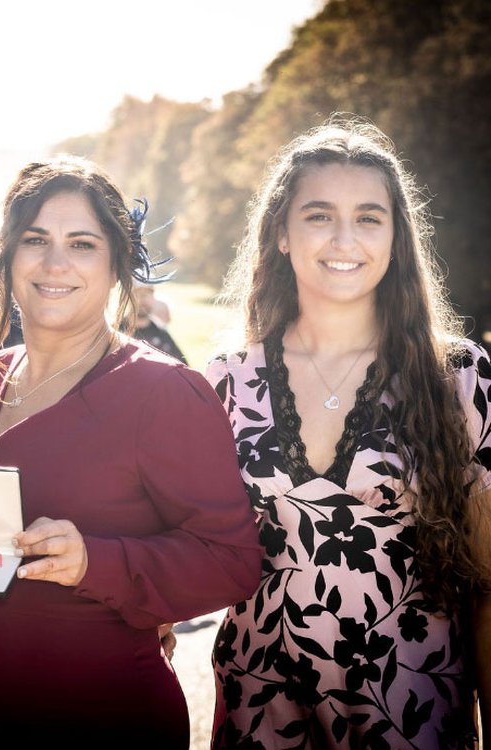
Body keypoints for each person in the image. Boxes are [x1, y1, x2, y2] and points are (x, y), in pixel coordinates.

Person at [0, 156, 263, 748]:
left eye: (82, 244)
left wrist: (96, 561)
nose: (55, 262)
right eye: (35, 239)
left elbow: (232, 562)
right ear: (7, 257)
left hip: (108, 718)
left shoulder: (163, 392)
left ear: (117, 265)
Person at [205, 117, 491, 748]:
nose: (344, 238)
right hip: (261, 706)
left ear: (396, 238)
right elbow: (185, 544)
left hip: (410, 711)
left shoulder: (457, 375)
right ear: (280, 232)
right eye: (317, 215)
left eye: (368, 217)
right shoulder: (225, 381)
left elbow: (489, 580)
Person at [132, 282, 188, 364]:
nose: (142, 300)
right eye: (137, 294)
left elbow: (182, 366)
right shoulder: (117, 332)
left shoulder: (161, 332)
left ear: (153, 297)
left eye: (147, 294)